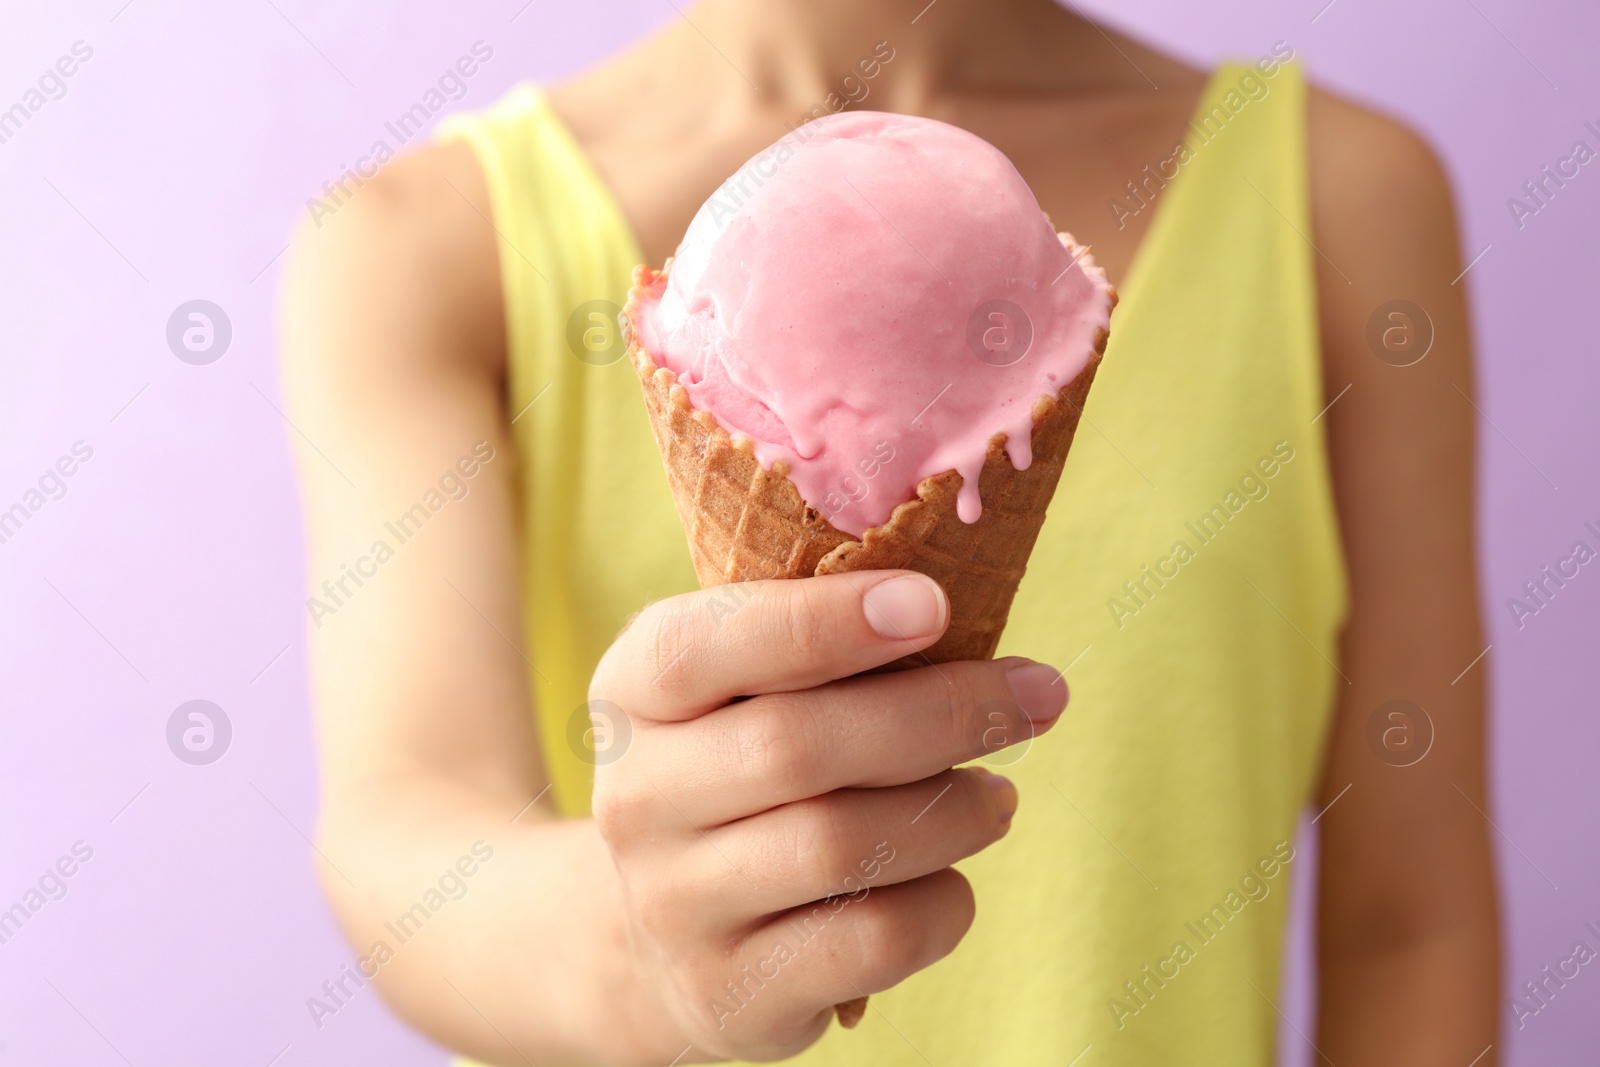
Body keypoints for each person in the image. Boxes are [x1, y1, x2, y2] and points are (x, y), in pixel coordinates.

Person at [280, 1, 1498, 1063]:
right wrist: (642, 954)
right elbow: (404, 829)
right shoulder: (421, 246)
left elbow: (1411, 921)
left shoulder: (1343, 200)